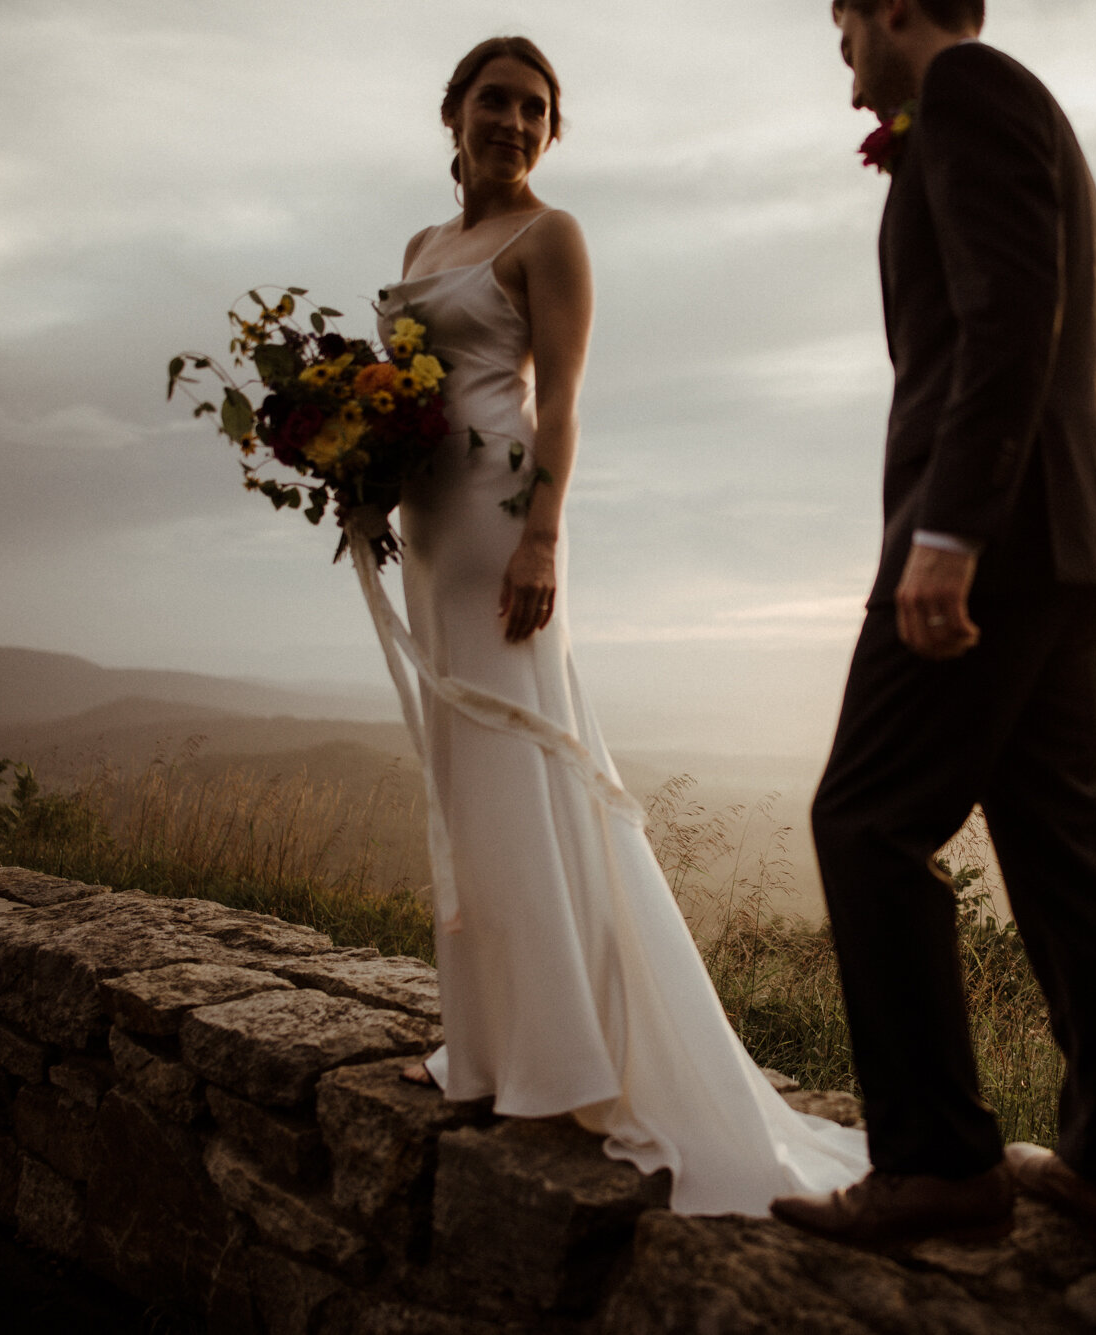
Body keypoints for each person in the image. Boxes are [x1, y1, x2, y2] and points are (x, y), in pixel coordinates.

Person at [361, 36, 867, 1216]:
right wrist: (360, 480)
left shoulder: (552, 238)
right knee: (459, 777)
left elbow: (563, 402)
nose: (515, 122)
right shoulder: (422, 249)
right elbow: (402, 395)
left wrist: (540, 538)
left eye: (536, 110)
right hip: (431, 525)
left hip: (499, 521)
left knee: (517, 768)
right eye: (495, 100)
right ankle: (487, 1049)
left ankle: (559, 1061)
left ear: (549, 132)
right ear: (452, 113)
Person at [769, 1, 1096, 1255]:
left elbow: (1007, 320)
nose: (835, 38)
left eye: (839, 13)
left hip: (995, 536)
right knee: (1056, 843)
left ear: (891, 6)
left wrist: (949, 535)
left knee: (865, 821)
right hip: (1062, 538)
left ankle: (937, 1163)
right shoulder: (1006, 105)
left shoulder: (977, 92)